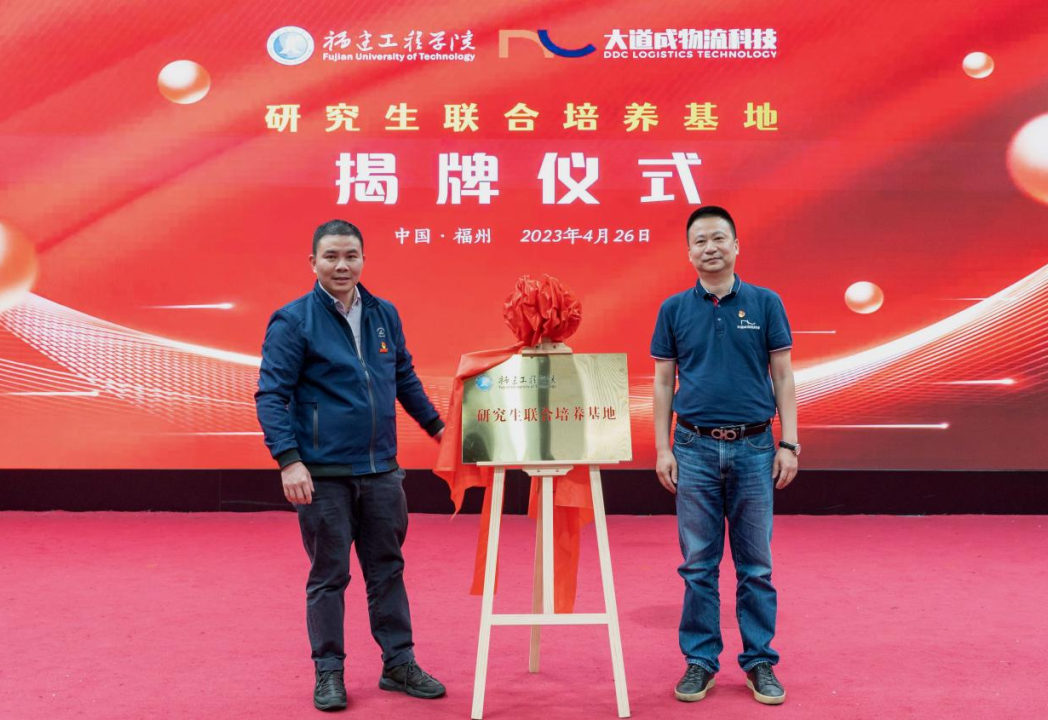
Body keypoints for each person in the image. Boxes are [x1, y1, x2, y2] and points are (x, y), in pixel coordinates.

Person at [255, 219, 447, 711]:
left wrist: (439, 429)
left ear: (363, 259)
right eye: (331, 256)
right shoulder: (292, 321)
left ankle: (398, 663)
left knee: (388, 570)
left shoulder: (384, 314)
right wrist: (289, 461)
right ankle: (329, 671)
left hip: (382, 470)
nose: (342, 265)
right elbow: (271, 396)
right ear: (313, 262)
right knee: (329, 575)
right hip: (322, 475)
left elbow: (404, 378)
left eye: (351, 256)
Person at [650, 206, 799, 706]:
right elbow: (663, 382)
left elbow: (783, 375)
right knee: (698, 564)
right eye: (700, 241)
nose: (709, 248)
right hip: (692, 447)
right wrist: (662, 448)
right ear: (688, 252)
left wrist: (789, 442)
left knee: (756, 566)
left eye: (718, 238)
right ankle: (700, 660)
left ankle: (759, 661)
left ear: (736, 246)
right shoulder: (673, 309)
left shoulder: (766, 303)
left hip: (755, 447)